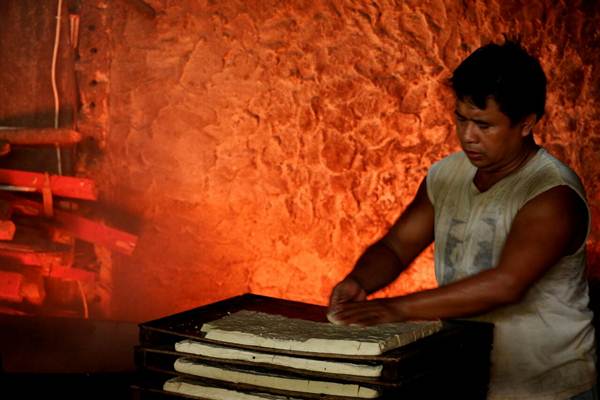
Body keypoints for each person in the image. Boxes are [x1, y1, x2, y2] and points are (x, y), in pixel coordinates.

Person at [327, 40, 597, 400]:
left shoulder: (552, 193)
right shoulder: (446, 175)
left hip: (549, 387)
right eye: (461, 119)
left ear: (526, 123)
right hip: (467, 379)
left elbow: (506, 284)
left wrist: (393, 309)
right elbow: (396, 246)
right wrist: (359, 281)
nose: (468, 136)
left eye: (484, 125)